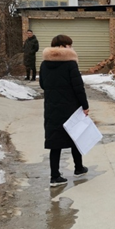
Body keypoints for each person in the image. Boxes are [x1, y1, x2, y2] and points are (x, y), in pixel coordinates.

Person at [39, 34, 89, 186]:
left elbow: (42, 84)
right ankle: (78, 168)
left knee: (54, 141)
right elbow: (78, 87)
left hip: (52, 107)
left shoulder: (44, 64)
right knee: (75, 136)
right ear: (61, 46)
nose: (71, 48)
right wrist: (85, 106)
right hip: (70, 107)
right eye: (69, 45)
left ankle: (55, 176)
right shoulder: (70, 64)